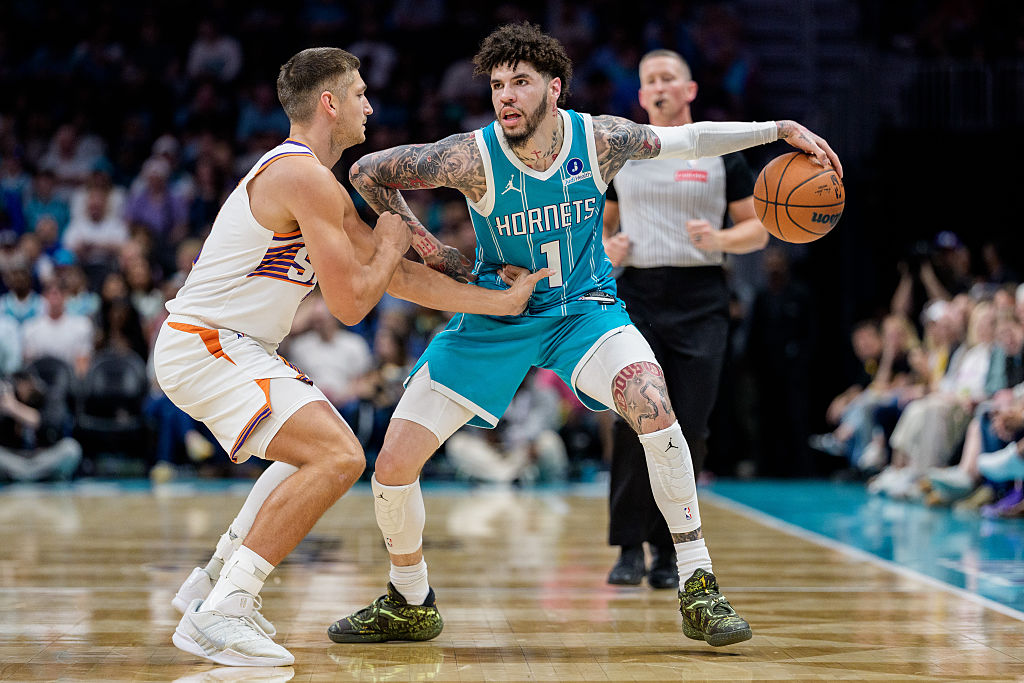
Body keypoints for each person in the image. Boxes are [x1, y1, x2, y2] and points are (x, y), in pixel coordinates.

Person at [328, 22, 841, 648]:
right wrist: (444, 259)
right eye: (497, 85)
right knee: (393, 465)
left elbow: (690, 139)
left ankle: (698, 585)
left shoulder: (598, 139)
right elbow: (369, 173)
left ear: (555, 86)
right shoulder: (470, 155)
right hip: (497, 315)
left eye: (520, 82)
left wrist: (780, 130)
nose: (506, 97)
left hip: (583, 311)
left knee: (655, 403)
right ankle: (409, 599)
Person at [157, 47, 546, 667]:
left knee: (320, 448)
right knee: (337, 456)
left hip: (234, 345)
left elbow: (397, 282)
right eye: (360, 94)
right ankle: (225, 609)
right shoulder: (298, 175)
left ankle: (212, 584)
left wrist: (497, 302)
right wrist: (391, 243)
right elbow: (351, 305)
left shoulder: (317, 182)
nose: (371, 104)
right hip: (206, 342)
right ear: (330, 104)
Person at [600, 49, 770, 590]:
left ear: (690, 90)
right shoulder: (621, 154)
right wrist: (610, 248)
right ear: (641, 95)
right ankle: (628, 546)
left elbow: (758, 229)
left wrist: (719, 239)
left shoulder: (722, 153)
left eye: (668, 78)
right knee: (633, 421)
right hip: (638, 296)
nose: (659, 87)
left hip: (701, 297)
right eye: (650, 80)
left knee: (688, 426)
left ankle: (673, 553)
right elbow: (598, 232)